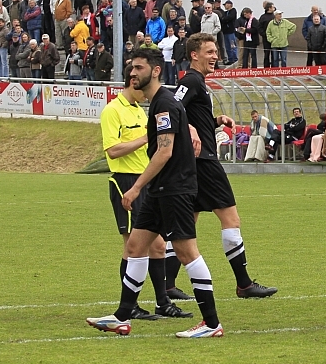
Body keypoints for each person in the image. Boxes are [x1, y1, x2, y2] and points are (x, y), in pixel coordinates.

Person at [87, 47, 224, 339]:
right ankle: (122, 317)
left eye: (139, 68)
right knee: (136, 246)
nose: (132, 73)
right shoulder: (157, 104)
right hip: (159, 189)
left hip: (174, 189)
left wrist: (136, 187)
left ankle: (212, 324)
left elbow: (164, 151)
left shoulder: (164, 104)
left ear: (156, 70)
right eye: (131, 68)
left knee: (187, 252)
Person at [174, 33, 278, 299]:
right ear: (194, 55)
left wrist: (216, 120)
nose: (215, 56)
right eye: (209, 52)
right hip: (205, 162)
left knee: (188, 224)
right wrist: (189, 129)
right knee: (231, 220)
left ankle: (167, 285)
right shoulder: (191, 80)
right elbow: (172, 108)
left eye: (215, 52)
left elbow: (189, 115)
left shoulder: (199, 83)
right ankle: (244, 284)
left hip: (195, 162)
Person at [99, 65, 192, 323]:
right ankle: (131, 306)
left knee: (159, 245)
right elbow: (112, 150)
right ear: (133, 82)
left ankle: (162, 302)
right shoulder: (112, 111)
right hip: (126, 181)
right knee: (132, 245)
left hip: (145, 180)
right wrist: (144, 139)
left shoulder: (141, 110)